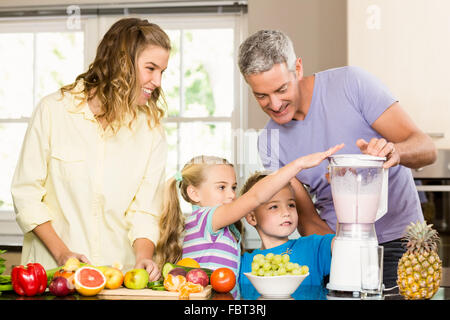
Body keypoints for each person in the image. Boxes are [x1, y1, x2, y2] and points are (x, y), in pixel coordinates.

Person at [237, 29, 437, 289]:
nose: (274, 104)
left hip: (403, 243)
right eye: (261, 96)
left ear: (297, 68)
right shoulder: (269, 142)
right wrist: (347, 254)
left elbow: (426, 147)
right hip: (339, 250)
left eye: (281, 89)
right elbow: (307, 219)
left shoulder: (351, 84)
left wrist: (394, 152)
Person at [11, 18, 171, 281]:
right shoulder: (53, 111)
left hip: (116, 276)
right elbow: (26, 193)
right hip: (52, 274)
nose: (157, 81)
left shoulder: (151, 129)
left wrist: (143, 256)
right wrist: (63, 255)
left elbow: (145, 210)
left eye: (162, 72)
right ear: (121, 63)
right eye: (150, 68)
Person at [155, 145, 343, 295]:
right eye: (221, 187)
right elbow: (255, 197)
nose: (231, 195)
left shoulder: (222, 232)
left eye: (233, 187)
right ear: (193, 193)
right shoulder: (205, 218)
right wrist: (297, 165)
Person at [238, 171, 335, 300]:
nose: (286, 212)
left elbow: (348, 244)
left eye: (291, 205)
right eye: (274, 207)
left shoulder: (314, 246)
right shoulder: (241, 263)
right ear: (251, 217)